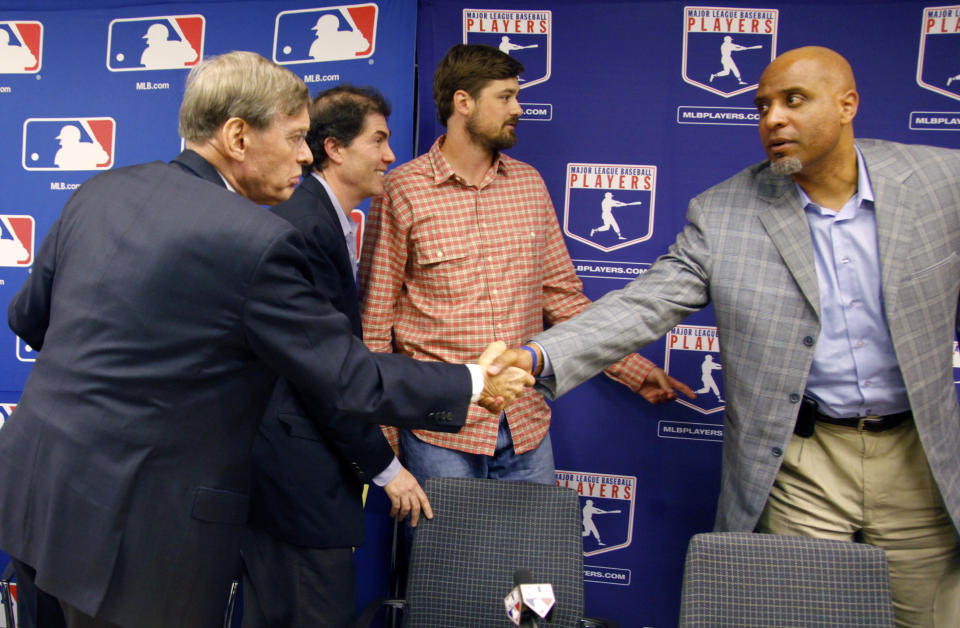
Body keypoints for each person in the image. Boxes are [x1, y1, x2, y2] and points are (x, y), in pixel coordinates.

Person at [0, 51, 531, 628]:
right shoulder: (255, 240)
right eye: (298, 137)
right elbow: (349, 374)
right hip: (135, 536)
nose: (307, 155)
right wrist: (475, 381)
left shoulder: (100, 190)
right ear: (237, 136)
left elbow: (28, 319)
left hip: (33, 500)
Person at [490, 46, 960, 627]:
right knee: (806, 616)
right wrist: (535, 355)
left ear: (847, 105)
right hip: (802, 463)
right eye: (762, 106)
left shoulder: (942, 182)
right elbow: (643, 303)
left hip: (917, 457)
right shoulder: (724, 213)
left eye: (794, 101)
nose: (773, 120)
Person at [358, 43, 692, 489]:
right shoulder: (402, 190)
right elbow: (376, 323)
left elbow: (562, 298)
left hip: (525, 426)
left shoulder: (530, 185)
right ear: (463, 102)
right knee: (449, 560)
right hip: (437, 429)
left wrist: (632, 368)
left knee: (530, 559)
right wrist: (383, 438)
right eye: (505, 96)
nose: (518, 108)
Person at [242, 85, 416, 628]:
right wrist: (387, 469)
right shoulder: (306, 227)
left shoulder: (320, 219)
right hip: (296, 477)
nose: (390, 156)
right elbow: (323, 373)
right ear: (335, 148)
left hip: (297, 473)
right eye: (380, 140)